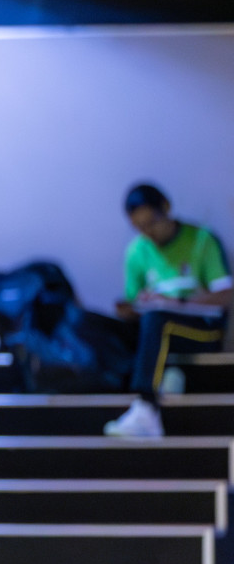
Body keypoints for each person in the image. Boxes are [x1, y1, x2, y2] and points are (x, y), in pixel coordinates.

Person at [104, 183, 231, 439]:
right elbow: (135, 303)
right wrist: (131, 308)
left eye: (152, 222)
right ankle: (165, 381)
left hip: (202, 331)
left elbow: (226, 294)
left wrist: (176, 303)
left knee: (159, 319)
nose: (148, 232)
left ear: (166, 208)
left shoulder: (201, 239)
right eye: (140, 227)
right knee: (109, 326)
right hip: (158, 332)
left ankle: (146, 407)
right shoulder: (137, 251)